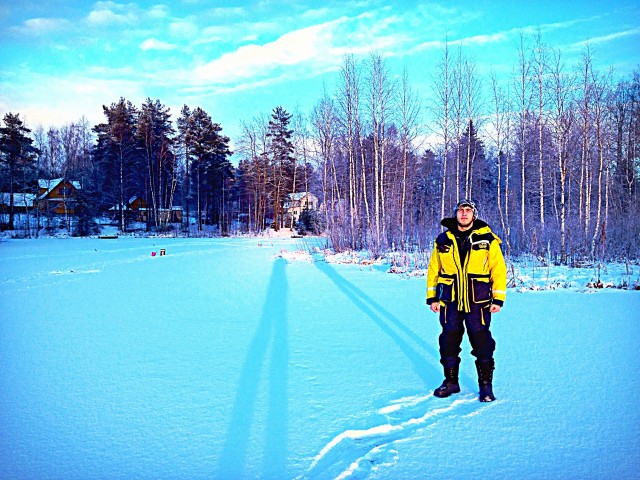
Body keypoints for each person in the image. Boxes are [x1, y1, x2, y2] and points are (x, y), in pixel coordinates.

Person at [426, 199, 507, 402]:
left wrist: (498, 298)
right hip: (449, 300)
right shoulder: (443, 239)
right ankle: (451, 382)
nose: (464, 214)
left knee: (482, 342)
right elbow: (433, 269)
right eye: (460, 210)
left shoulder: (487, 239)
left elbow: (498, 269)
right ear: (456, 214)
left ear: (474, 215)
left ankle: (486, 387)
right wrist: (432, 297)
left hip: (477, 301)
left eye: (468, 210)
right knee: (448, 341)